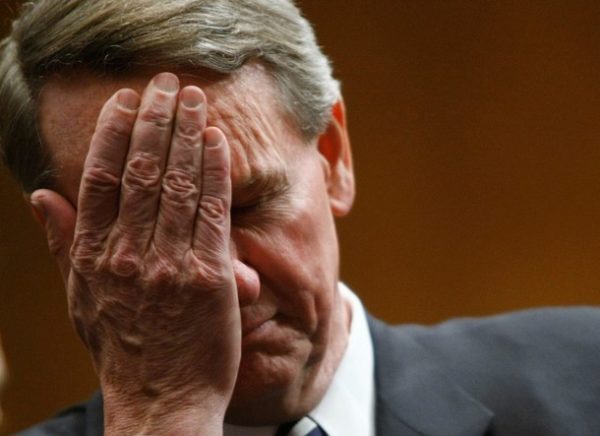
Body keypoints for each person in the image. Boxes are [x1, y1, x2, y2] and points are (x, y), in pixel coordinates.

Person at [1, 1, 599, 435]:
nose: (226, 278)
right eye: (150, 227)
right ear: (65, 243)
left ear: (334, 157)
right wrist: (165, 415)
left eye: (247, 206)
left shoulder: (585, 378)